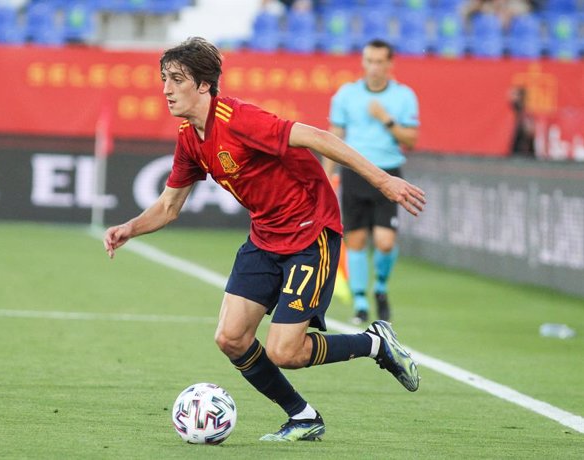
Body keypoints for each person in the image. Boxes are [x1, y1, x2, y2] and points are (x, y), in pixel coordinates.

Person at [103, 37, 424, 442]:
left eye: (176, 79)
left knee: (284, 352)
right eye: (164, 78)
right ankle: (303, 417)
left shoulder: (238, 119)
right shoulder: (189, 136)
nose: (166, 89)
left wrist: (383, 181)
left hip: (311, 232)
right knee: (231, 338)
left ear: (204, 85)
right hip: (265, 236)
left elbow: (319, 138)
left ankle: (375, 343)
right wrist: (129, 228)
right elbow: (169, 207)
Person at [324, 39, 420, 326]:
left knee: (385, 242)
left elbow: (411, 140)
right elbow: (333, 137)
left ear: (390, 64)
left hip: (388, 173)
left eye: (380, 61)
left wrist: (386, 119)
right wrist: (327, 175)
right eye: (369, 60)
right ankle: (361, 303)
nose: (374, 67)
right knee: (355, 240)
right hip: (355, 172)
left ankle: (379, 288)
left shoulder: (403, 96)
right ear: (363, 62)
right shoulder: (347, 94)